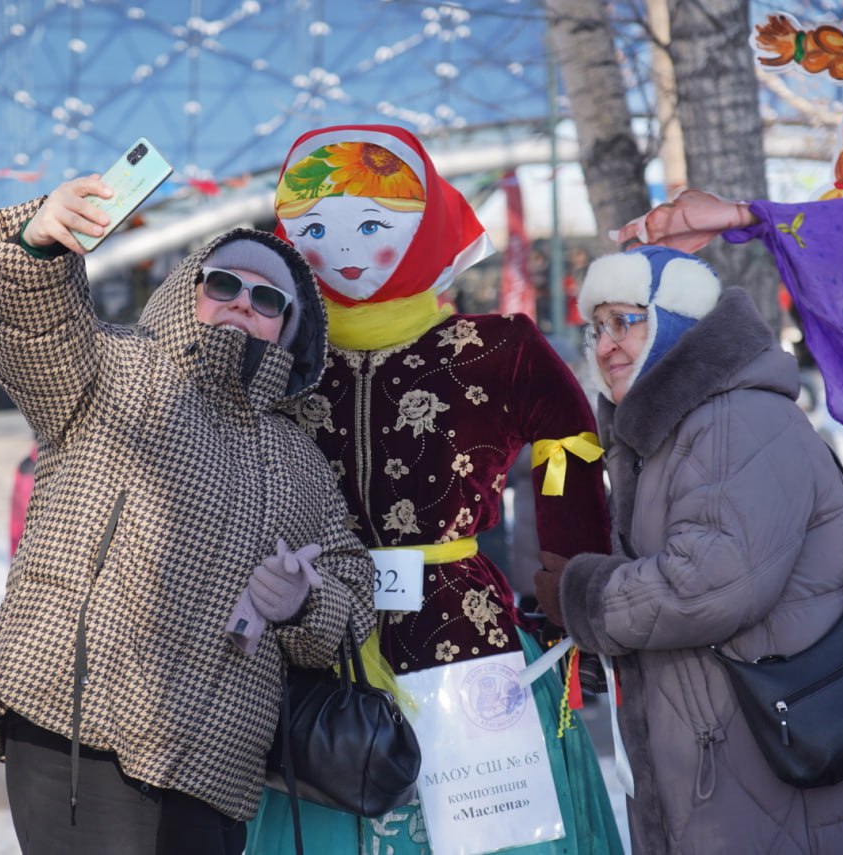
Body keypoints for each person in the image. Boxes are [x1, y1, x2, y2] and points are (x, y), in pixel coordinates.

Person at [0, 173, 376, 855]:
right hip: (76, 716)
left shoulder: (300, 459)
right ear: (188, 290)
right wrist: (37, 252)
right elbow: (36, 335)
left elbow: (351, 592)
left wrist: (306, 598)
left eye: (267, 298)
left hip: (214, 758)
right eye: (223, 285)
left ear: (289, 329)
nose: (243, 302)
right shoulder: (113, 366)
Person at [246, 124, 621, 854]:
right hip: (316, 639)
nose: (344, 247)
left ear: (427, 229)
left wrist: (569, 586)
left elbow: (570, 445)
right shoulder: (275, 360)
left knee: (486, 829)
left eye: (375, 225)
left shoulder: (497, 350)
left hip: (463, 635)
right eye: (314, 227)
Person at [537, 244, 843, 854]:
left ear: (677, 321)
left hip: (792, 765)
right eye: (595, 327)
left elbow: (710, 583)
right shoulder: (672, 431)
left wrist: (586, 598)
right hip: (754, 755)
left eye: (626, 320)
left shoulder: (733, 418)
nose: (604, 345)